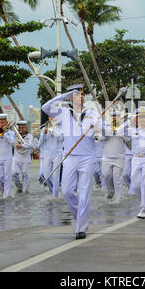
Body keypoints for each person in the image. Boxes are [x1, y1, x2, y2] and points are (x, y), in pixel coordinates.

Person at [42, 84, 103, 240]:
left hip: (87, 158)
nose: (81, 97)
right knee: (68, 191)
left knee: (84, 193)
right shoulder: (63, 112)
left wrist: (97, 133)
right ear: (71, 97)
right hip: (69, 156)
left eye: (82, 94)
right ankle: (80, 215)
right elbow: (45, 107)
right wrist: (63, 96)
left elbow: (101, 132)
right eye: (77, 94)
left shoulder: (92, 113)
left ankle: (80, 227)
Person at [101, 111, 129, 201]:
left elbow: (128, 139)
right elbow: (100, 138)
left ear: (120, 118)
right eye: (113, 116)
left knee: (117, 177)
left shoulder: (124, 128)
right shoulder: (106, 126)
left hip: (119, 156)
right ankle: (111, 191)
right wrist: (108, 133)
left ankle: (119, 197)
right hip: (107, 156)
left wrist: (119, 133)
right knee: (106, 175)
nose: (114, 118)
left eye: (116, 116)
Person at [39, 117, 63, 197]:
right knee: (46, 176)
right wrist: (44, 134)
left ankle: (55, 195)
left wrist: (54, 130)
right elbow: (41, 143)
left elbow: (61, 139)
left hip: (57, 153)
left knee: (56, 176)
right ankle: (53, 190)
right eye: (50, 117)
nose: (51, 118)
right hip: (47, 153)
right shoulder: (44, 128)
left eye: (53, 117)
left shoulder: (60, 127)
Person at [13, 121, 35, 194]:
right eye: (19, 127)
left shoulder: (30, 136)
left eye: (22, 127)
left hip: (25, 159)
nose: (20, 129)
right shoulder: (14, 135)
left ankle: (25, 192)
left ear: (26, 127)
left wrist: (22, 145)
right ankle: (19, 187)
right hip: (16, 158)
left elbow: (31, 145)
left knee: (25, 175)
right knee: (14, 174)